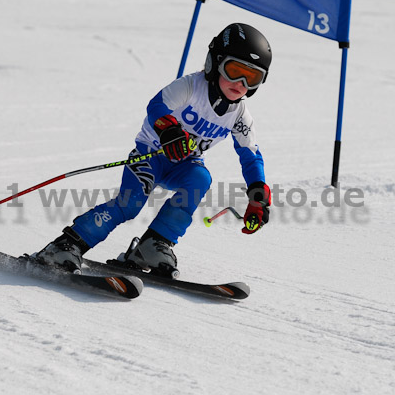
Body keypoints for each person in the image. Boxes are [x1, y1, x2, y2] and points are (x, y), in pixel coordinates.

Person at [35, 23, 273, 276]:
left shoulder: (239, 115)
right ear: (214, 63)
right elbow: (157, 106)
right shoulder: (191, 86)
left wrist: (258, 194)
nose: (241, 83)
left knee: (200, 178)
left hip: (183, 163)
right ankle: (66, 245)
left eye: (252, 77)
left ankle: (154, 244)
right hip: (151, 155)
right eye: (234, 70)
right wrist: (169, 130)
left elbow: (251, 156)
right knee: (129, 205)